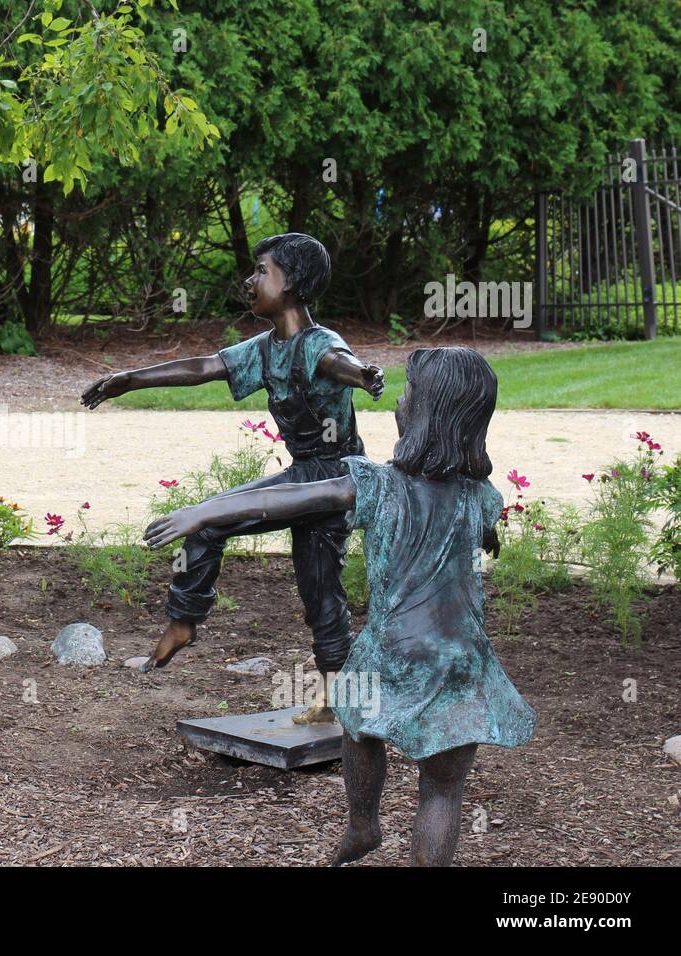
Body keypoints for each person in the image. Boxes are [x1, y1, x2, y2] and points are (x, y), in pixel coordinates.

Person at [144, 347, 536, 866]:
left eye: (408, 394)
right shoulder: (482, 495)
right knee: (442, 790)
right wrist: (488, 541)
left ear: (424, 416)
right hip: (462, 661)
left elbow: (298, 498)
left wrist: (206, 512)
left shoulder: (380, 485)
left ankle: (362, 822)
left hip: (393, 649)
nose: (399, 400)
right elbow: (483, 530)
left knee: (357, 721)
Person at [82, 233, 383, 722]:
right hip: (304, 472)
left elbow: (338, 363)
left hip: (335, 477)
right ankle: (184, 623)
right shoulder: (265, 348)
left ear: (293, 284)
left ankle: (331, 696)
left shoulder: (319, 344)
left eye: (262, 270)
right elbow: (203, 366)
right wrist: (130, 379)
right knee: (231, 537)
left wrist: (364, 375)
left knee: (316, 583)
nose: (251, 280)